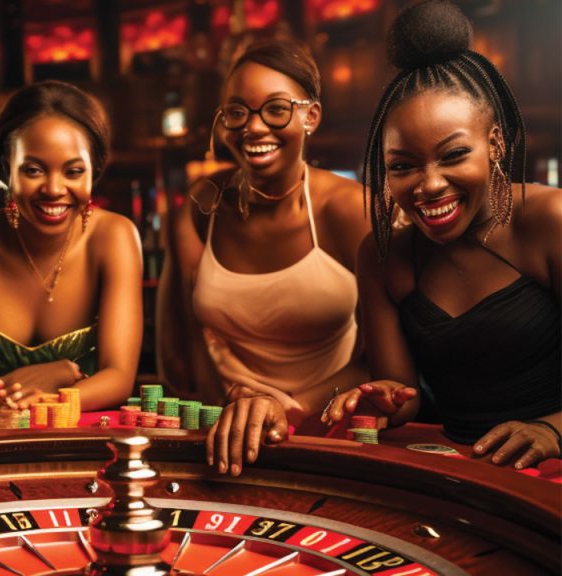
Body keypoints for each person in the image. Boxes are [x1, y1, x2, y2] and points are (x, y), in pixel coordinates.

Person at [324, 0, 561, 469]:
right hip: (462, 473)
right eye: (403, 166)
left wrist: (551, 428)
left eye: (453, 155)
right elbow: (402, 394)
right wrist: (383, 398)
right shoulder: (383, 253)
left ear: (494, 143)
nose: (429, 184)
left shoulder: (549, 220)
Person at [161, 40, 371, 477]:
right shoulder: (203, 205)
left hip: (328, 428)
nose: (253, 128)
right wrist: (215, 420)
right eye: (237, 112)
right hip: (225, 434)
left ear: (310, 115)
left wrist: (285, 408)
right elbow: (185, 346)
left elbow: (383, 363)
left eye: (276, 109)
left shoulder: (350, 209)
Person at [0, 80, 141, 411]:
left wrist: (50, 397)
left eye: (74, 171)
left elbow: (120, 376)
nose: (54, 189)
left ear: (93, 172)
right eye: (34, 170)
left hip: (81, 442)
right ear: (6, 169)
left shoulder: (115, 237)